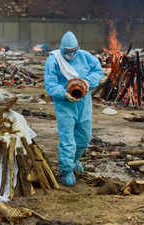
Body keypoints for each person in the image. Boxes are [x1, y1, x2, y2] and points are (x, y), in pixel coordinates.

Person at [44, 31, 103, 186]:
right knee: (67, 139)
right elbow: (50, 83)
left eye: (73, 51)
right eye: (67, 52)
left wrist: (87, 82)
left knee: (84, 136)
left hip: (84, 102)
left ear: (77, 48)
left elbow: (98, 70)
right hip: (65, 104)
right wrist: (63, 93)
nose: (70, 55)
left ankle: (75, 159)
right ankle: (66, 170)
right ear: (62, 49)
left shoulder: (85, 57)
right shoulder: (54, 60)